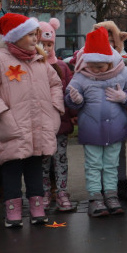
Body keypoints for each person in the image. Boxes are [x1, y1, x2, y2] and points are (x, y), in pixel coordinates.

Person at [0, 13, 64, 227]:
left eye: (35, 34)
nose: (35, 39)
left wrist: (55, 108)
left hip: (39, 125)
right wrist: (1, 112)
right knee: (12, 169)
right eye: (29, 35)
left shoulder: (39, 60)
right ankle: (13, 210)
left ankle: (37, 207)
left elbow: (55, 84)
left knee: (35, 166)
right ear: (13, 37)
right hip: (12, 126)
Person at [65, 27, 127, 217]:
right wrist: (76, 100)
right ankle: (95, 197)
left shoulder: (124, 72)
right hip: (91, 129)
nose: (96, 70)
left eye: (101, 66)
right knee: (93, 164)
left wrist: (125, 97)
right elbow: (69, 96)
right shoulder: (81, 76)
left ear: (110, 60)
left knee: (111, 164)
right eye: (92, 66)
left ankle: (111, 195)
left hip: (115, 128)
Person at [38, 18, 76, 212]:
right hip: (39, 125)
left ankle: (61, 192)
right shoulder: (31, 65)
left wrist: (72, 114)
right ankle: (45, 192)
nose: (45, 48)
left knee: (60, 159)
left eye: (49, 44)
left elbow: (68, 92)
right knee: (43, 160)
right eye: (41, 44)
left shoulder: (62, 66)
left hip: (60, 123)